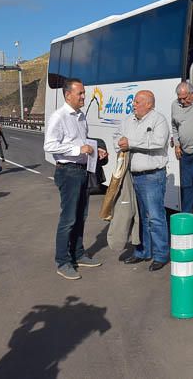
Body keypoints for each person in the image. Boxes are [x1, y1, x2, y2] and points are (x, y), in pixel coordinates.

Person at [44, 79, 107, 280]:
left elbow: (84, 141)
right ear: (67, 95)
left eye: (83, 93)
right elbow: (49, 146)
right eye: (80, 93)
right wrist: (77, 149)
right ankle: (63, 261)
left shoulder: (81, 116)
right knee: (68, 218)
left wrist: (97, 150)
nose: (83, 97)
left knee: (82, 216)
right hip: (68, 172)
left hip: (82, 170)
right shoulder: (59, 117)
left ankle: (78, 254)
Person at [114, 90, 170, 271]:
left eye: (137, 102)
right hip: (134, 176)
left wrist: (130, 141)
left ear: (149, 104)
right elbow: (117, 137)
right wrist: (121, 142)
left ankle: (161, 254)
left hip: (153, 176)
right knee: (139, 218)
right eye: (135, 102)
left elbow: (158, 142)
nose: (134, 105)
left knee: (155, 217)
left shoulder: (158, 120)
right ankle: (142, 251)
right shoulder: (128, 120)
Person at [171, 81, 193, 214]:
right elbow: (174, 126)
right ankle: (186, 215)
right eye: (180, 98)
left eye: (185, 98)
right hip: (184, 152)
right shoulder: (175, 105)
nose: (182, 101)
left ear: (192, 94)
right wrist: (177, 145)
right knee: (186, 185)